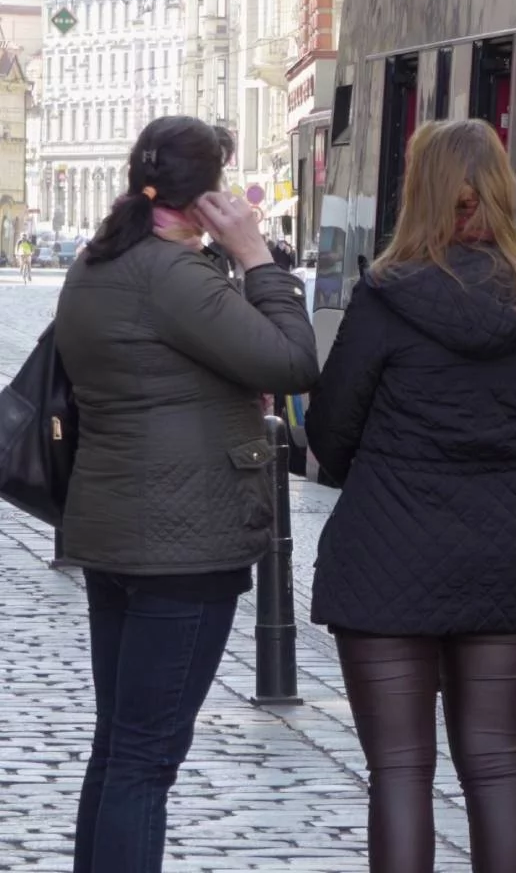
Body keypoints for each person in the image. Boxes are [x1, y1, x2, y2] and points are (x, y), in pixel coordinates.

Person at [55, 115, 320, 873]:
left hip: (115, 530)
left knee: (119, 746)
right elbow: (294, 361)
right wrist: (256, 258)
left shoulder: (99, 262)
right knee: (146, 758)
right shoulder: (172, 275)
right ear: (208, 195)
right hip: (182, 539)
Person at [305, 118, 516, 873]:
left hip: (387, 561)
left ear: (417, 193)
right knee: (496, 764)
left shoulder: (387, 296)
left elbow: (330, 433)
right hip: (501, 560)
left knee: (400, 771)